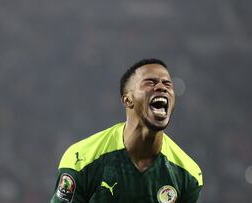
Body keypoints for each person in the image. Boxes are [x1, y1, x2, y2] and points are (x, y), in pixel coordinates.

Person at [50, 58, 203, 203]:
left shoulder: (188, 174)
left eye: (168, 84)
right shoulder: (82, 159)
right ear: (127, 99)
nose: (162, 87)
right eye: (150, 82)